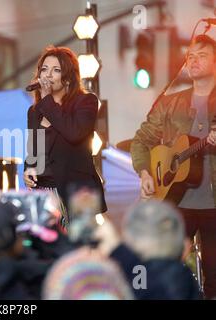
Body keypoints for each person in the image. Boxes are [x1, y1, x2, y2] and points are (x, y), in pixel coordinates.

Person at [130, 34, 216, 298]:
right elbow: (140, 141)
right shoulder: (170, 103)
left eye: (202, 55)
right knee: (164, 269)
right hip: (176, 202)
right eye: (190, 56)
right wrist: (145, 171)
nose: (193, 60)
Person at [23, 46, 107, 224]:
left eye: (56, 70)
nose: (48, 75)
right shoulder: (34, 111)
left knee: (79, 248)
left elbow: (74, 133)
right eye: (44, 69)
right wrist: (28, 168)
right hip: (45, 192)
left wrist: (47, 99)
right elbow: (34, 149)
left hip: (77, 191)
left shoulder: (86, 102)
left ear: (68, 78)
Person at [94, 200, 200, 300]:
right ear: (185, 247)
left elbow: (149, 286)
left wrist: (117, 250)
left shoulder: (131, 276)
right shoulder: (183, 280)